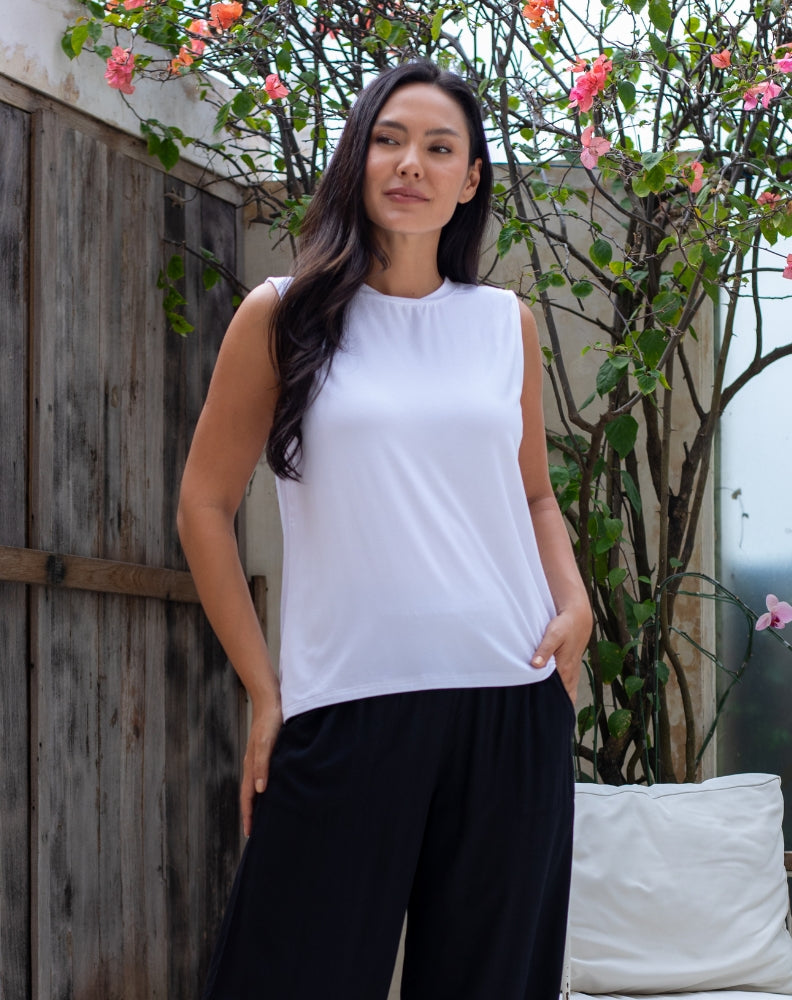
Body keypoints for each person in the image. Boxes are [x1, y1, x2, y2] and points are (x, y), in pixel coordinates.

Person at [177, 59, 592, 1000]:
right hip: (346, 707)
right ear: (359, 156)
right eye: (390, 138)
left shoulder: (503, 324)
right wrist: (263, 690)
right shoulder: (282, 317)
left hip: (510, 700)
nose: (412, 163)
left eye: (440, 148)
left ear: (470, 178)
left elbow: (533, 497)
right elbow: (204, 505)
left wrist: (575, 603)